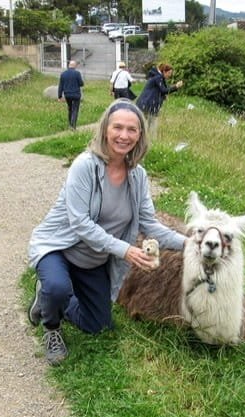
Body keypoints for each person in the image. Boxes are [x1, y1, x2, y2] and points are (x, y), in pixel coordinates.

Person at [27, 99, 187, 365]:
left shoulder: (138, 177)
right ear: (105, 130)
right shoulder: (84, 166)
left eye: (132, 129)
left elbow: (150, 224)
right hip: (61, 249)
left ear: (140, 135)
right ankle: (51, 325)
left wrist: (193, 242)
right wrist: (126, 250)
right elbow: (80, 223)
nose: (124, 135)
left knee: (98, 324)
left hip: (94, 261)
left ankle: (53, 300)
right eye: (118, 127)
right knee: (57, 286)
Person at [135, 63, 183, 140]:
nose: (170, 75)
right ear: (164, 71)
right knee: (150, 124)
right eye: (169, 73)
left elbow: (157, 90)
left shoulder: (157, 77)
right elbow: (163, 90)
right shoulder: (158, 77)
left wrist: (163, 96)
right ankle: (150, 141)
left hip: (145, 104)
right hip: (148, 105)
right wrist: (176, 86)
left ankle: (146, 140)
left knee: (146, 124)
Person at [58, 60, 84, 130]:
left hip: (67, 95)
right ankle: (73, 125)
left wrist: (59, 96)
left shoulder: (63, 74)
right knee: (75, 109)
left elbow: (60, 86)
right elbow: (81, 83)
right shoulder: (77, 73)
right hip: (76, 94)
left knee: (70, 109)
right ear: (75, 66)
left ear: (69, 65)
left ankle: (70, 123)